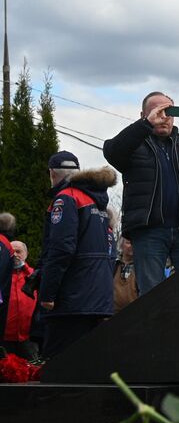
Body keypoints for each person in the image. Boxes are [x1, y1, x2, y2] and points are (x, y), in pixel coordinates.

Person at [103, 92, 179, 295]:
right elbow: (112, 151)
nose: (164, 117)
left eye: (169, 111)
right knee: (151, 295)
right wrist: (144, 126)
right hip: (149, 231)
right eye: (157, 111)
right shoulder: (135, 145)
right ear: (144, 114)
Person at [38, 152, 117, 358]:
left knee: (58, 367)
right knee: (87, 368)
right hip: (99, 299)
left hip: (72, 300)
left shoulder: (66, 198)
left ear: (52, 173)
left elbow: (61, 248)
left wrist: (47, 292)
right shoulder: (99, 203)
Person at [4, 240, 37, 359]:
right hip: (4, 338)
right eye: (12, 252)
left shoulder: (34, 275)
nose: (16, 255)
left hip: (28, 338)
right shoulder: (2, 276)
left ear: (26, 254)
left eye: (19, 252)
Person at [112, 235, 138, 312]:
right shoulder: (114, 265)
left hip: (134, 315)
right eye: (128, 243)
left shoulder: (141, 267)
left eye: (134, 243)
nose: (132, 246)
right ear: (121, 245)